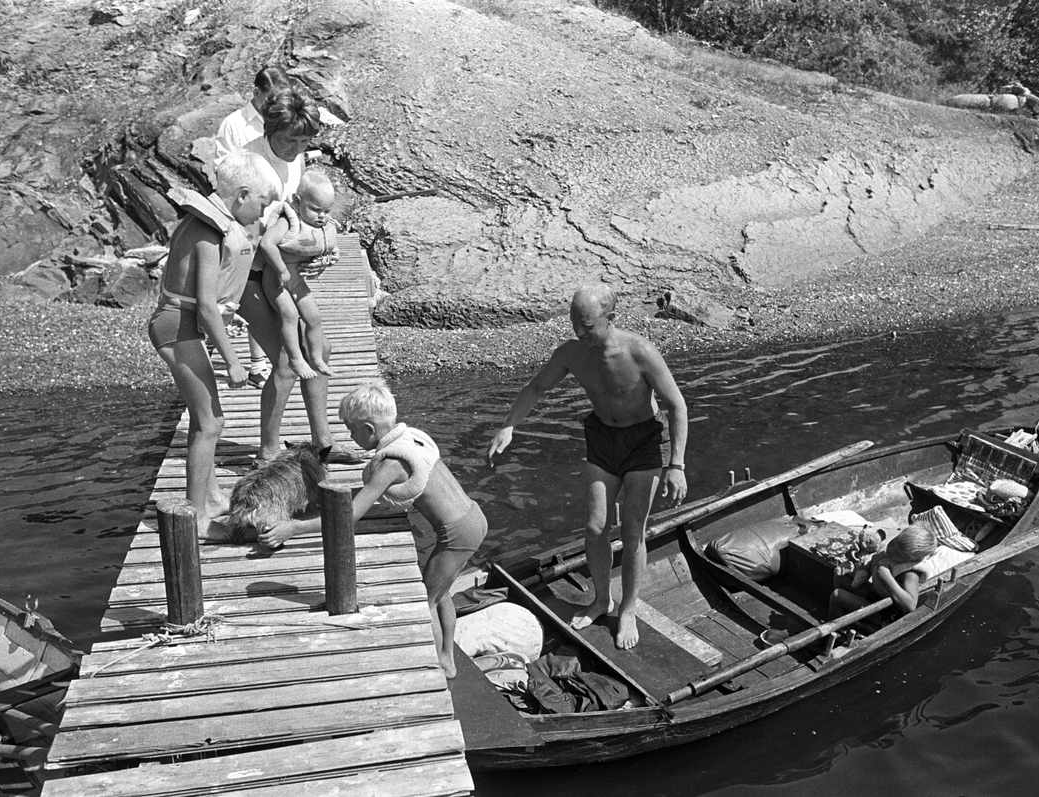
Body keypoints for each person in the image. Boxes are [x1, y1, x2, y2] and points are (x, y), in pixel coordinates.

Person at [487, 284, 688, 650]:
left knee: (632, 531)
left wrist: (677, 464)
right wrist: (508, 425)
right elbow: (536, 388)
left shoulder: (639, 351)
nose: (580, 332)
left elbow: (677, 405)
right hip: (602, 438)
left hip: (643, 441)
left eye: (588, 325)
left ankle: (627, 609)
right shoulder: (571, 353)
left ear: (611, 319)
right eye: (575, 324)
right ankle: (601, 599)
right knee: (596, 526)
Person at [259, 380, 488, 678]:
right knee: (440, 591)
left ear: (368, 428)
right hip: (473, 517)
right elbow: (369, 493)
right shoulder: (412, 438)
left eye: (352, 430)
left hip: (457, 533)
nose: (351, 437)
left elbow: (348, 517)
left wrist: (293, 528)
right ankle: (447, 656)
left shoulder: (391, 463)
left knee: (425, 600)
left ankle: (439, 666)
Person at [147, 151, 279, 541]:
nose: (259, 216)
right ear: (240, 196)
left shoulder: (208, 223)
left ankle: (212, 495)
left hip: (183, 323)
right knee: (210, 422)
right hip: (176, 329)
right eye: (260, 205)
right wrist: (234, 361)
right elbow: (204, 306)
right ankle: (196, 518)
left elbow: (206, 304)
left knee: (205, 417)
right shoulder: (207, 232)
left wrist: (228, 316)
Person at [237, 87, 358, 465]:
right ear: (272, 128)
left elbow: (298, 221)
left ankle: (323, 442)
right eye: (291, 140)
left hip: (286, 269)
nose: (297, 148)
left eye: (305, 141)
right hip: (249, 273)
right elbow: (240, 225)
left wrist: (316, 252)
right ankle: (268, 450)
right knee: (287, 361)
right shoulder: (248, 160)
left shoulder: (298, 161)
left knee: (318, 348)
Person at [215, 64, 291, 388]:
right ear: (256, 92)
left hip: (273, 216)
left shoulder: (282, 123)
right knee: (244, 287)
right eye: (269, 99)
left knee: (266, 289)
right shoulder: (234, 125)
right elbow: (224, 170)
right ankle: (252, 360)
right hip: (244, 214)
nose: (272, 105)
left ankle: (268, 360)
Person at [257, 170, 339, 382]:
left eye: (327, 211)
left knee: (314, 318)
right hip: (277, 279)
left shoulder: (322, 225)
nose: (322, 216)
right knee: (290, 315)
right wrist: (281, 270)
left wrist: (327, 259)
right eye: (315, 209)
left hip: (298, 279)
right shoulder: (288, 220)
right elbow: (266, 244)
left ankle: (316, 357)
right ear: (297, 201)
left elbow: (330, 249)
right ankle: (295, 358)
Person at [828, 525, 939, 625]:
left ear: (912, 559)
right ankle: (844, 615)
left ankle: (835, 632)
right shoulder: (888, 553)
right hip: (877, 596)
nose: (891, 550)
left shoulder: (910, 573)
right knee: (840, 578)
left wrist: (887, 577)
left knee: (837, 595)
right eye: (894, 542)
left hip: (887, 613)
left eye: (899, 553)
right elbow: (867, 559)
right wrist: (856, 555)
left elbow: (910, 605)